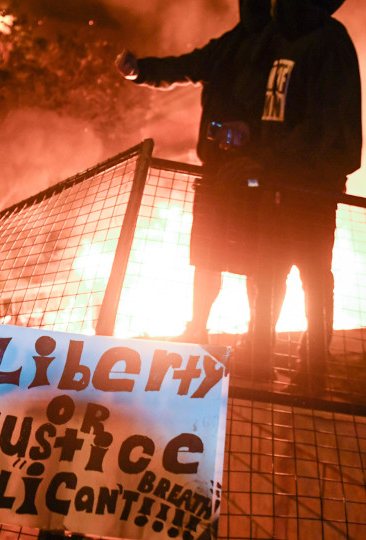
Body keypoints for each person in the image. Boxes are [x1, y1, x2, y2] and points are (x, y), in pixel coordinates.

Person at [114, 0, 273, 346]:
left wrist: (256, 140)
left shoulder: (284, 46)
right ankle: (197, 327)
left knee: (257, 259)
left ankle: (259, 338)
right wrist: (140, 70)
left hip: (256, 174)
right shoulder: (230, 45)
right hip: (216, 170)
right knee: (207, 254)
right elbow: (184, 66)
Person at [244, 0, 362, 395]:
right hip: (276, 181)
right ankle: (259, 360)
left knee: (312, 278)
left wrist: (271, 161)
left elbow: (325, 121)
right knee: (267, 272)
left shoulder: (330, 41)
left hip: (310, 186)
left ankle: (313, 373)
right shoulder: (280, 39)